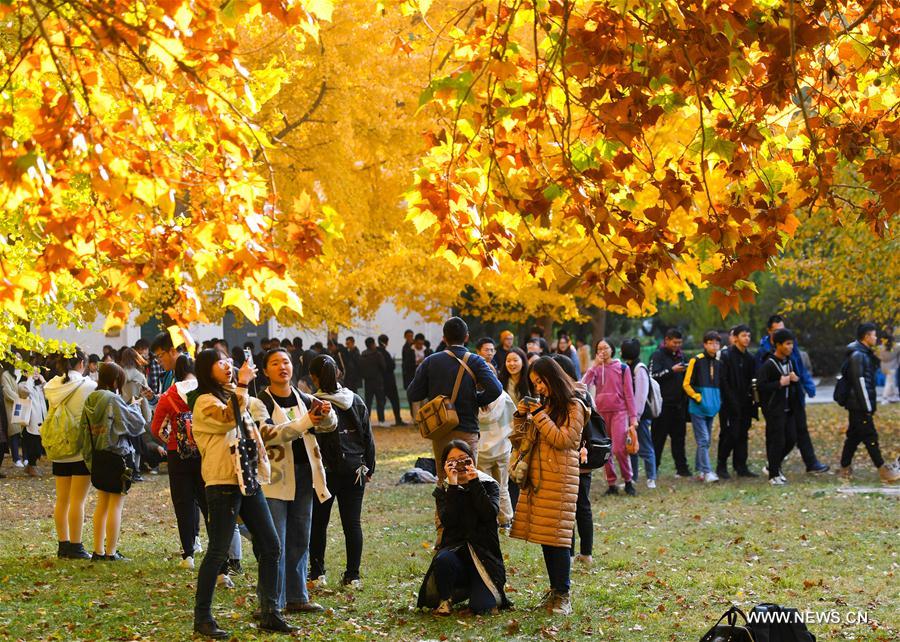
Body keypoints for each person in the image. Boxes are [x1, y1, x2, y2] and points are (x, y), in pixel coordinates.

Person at [190, 348, 293, 638]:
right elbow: (226, 420)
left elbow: (246, 426)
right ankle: (202, 618)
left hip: (248, 479)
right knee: (218, 551)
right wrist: (243, 385)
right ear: (206, 370)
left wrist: (242, 388)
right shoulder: (204, 402)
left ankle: (270, 612)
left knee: (271, 545)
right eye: (219, 362)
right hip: (223, 481)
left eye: (228, 361)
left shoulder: (235, 395)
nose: (227, 366)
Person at [255, 348, 336, 615]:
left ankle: (297, 596)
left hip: (305, 474)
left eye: (286, 362)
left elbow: (329, 424)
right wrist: (305, 422)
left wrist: (325, 412)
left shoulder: (303, 397)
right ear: (265, 370)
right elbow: (267, 434)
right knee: (275, 542)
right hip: (275, 479)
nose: (282, 367)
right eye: (275, 363)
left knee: (301, 537)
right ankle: (272, 602)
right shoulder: (260, 402)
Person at [510, 357, 585, 615]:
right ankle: (554, 590)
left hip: (560, 479)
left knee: (559, 537)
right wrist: (521, 416)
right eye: (534, 384)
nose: (538, 388)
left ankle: (564, 594)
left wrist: (538, 414)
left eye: (541, 382)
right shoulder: (546, 404)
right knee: (545, 536)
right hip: (540, 477)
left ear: (553, 378)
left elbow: (563, 440)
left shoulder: (575, 406)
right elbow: (524, 437)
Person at [418, 440, 510, 616]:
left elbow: (489, 514)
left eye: (464, 460)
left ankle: (479, 590)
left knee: (481, 608)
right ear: (444, 465)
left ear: (473, 460)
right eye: (453, 461)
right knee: (443, 559)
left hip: (484, 559)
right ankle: (446, 598)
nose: (459, 465)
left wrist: (474, 482)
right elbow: (449, 521)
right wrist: (453, 485)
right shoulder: (444, 489)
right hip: (455, 558)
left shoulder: (488, 484)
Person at [407, 317, 503, 484]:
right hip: (467, 428)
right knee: (469, 479)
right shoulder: (475, 361)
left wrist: (434, 396)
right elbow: (496, 388)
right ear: (466, 336)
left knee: (445, 480)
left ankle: (445, 510)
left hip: (440, 429)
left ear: (444, 338)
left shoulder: (431, 361)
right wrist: (475, 400)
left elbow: (413, 393)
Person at [308, 355, 376, 588]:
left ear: (313, 377)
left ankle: (317, 575)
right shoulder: (354, 399)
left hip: (324, 470)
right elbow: (367, 436)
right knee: (352, 524)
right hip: (356, 469)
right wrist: (370, 467)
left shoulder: (313, 404)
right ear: (338, 372)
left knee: (318, 523)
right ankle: (353, 576)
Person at [80, 362, 148, 561]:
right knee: (116, 505)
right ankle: (111, 552)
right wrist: (133, 408)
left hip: (99, 456)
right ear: (115, 380)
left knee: (101, 504)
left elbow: (83, 431)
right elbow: (137, 425)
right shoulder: (113, 400)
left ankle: (98, 551)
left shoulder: (91, 398)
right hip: (117, 456)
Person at [150, 355, 207, 569]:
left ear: (177, 372)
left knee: (183, 503)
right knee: (207, 502)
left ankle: (188, 554)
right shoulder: (206, 392)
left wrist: (172, 440)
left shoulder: (169, 396)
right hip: (205, 453)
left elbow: (156, 428)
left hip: (177, 455)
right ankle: (218, 554)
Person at [755, 315, 829, 474]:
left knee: (798, 431)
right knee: (778, 437)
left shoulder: (790, 350)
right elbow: (762, 381)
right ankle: (774, 467)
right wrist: (779, 384)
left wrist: (805, 385)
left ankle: (810, 462)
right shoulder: (765, 354)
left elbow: (799, 369)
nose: (789, 346)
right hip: (775, 403)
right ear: (770, 333)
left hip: (793, 398)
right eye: (777, 331)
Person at [44, 350, 97, 559]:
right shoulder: (89, 386)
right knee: (78, 501)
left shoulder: (52, 387)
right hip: (79, 448)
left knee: (62, 500)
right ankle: (76, 545)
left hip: (58, 448)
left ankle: (63, 544)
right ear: (82, 363)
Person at [838, 324, 900, 483]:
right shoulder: (858, 355)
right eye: (873, 335)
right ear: (866, 337)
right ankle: (883, 470)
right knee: (870, 436)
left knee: (853, 436)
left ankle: (844, 468)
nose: (875, 338)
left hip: (857, 404)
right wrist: (867, 407)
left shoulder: (863, 353)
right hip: (859, 405)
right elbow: (860, 383)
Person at [551, 354, 595, 566]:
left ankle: (584, 552)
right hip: (567, 458)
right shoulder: (560, 394)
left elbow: (584, 428)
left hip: (579, 457)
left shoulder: (578, 396)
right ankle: (571, 552)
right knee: (570, 507)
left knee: (579, 506)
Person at [581, 339, 637, 496]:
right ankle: (611, 483)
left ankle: (628, 481)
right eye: (599, 349)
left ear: (612, 349)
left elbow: (629, 395)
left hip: (620, 412)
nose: (603, 351)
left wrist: (633, 418)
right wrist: (593, 367)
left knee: (619, 449)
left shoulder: (623, 368)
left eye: (605, 348)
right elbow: (583, 384)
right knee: (605, 449)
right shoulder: (596, 369)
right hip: (601, 413)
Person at [474, 338, 515, 531]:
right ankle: (506, 520)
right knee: (503, 487)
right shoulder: (504, 398)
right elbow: (513, 420)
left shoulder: (474, 400)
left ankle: (487, 519)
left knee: (485, 487)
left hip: (482, 450)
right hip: (503, 448)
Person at [756, 329, 802, 485]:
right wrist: (778, 384)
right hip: (774, 409)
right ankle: (773, 474)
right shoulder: (769, 364)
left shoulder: (789, 361)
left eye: (792, 344)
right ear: (778, 345)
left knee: (791, 438)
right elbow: (761, 386)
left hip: (788, 408)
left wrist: (795, 380)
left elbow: (792, 382)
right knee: (776, 441)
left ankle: (773, 465)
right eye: (787, 344)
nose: (790, 347)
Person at [718, 325, 759, 479]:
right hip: (729, 404)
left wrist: (754, 401)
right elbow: (723, 380)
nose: (747, 338)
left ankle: (741, 466)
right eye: (743, 335)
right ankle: (721, 464)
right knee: (730, 434)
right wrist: (730, 400)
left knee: (743, 434)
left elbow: (752, 381)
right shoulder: (726, 356)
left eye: (748, 335)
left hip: (745, 403)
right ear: (735, 338)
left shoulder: (750, 358)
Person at [649, 329, 691, 477]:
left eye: (679, 343)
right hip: (662, 406)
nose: (677, 345)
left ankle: (682, 469)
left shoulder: (682, 356)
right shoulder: (657, 355)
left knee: (679, 439)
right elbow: (652, 376)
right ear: (666, 340)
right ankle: (653, 468)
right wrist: (671, 371)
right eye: (674, 342)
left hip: (679, 405)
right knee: (658, 440)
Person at [683, 331, 723, 483]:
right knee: (703, 439)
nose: (715, 346)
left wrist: (717, 401)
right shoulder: (696, 360)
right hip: (698, 408)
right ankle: (707, 472)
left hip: (712, 408)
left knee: (705, 441)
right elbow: (686, 384)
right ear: (705, 344)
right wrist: (698, 397)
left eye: (717, 343)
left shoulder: (718, 363)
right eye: (711, 343)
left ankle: (700, 469)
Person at [621, 339, 657, 489]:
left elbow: (641, 396)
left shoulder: (639, 369)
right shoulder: (627, 367)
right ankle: (633, 477)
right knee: (631, 447)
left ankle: (651, 477)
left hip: (639, 416)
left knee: (645, 446)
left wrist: (636, 416)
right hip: (630, 415)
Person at [499, 347, 530, 510]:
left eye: (515, 360)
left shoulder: (529, 381)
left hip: (525, 431)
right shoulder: (500, 382)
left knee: (522, 467)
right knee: (508, 467)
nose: (512, 364)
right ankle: (512, 506)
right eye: (508, 360)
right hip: (505, 430)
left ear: (523, 362)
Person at [377, 335, 403, 426]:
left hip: (380, 381)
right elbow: (391, 366)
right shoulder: (385, 353)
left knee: (381, 401)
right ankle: (398, 419)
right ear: (386, 342)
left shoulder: (376, 352)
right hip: (389, 381)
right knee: (395, 400)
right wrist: (393, 361)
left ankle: (381, 420)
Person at [360, 338, 386, 426]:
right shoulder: (378, 355)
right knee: (380, 401)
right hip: (378, 381)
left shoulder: (363, 355)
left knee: (368, 402)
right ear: (372, 345)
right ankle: (381, 420)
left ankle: (367, 421)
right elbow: (383, 367)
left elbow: (361, 369)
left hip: (368, 382)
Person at [407, 333, 433, 420]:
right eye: (418, 344)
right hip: (413, 378)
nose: (420, 346)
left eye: (421, 344)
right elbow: (406, 366)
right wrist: (416, 362)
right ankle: (416, 420)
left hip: (425, 379)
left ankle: (425, 419)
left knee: (425, 401)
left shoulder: (428, 351)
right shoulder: (409, 351)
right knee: (415, 401)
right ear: (415, 342)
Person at [150, 332, 181, 396]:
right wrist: (152, 398)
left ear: (172, 351)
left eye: (159, 356)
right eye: (156, 357)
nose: (158, 362)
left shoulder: (189, 374)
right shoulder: (168, 374)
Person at [875, 329, 900, 403]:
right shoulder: (896, 347)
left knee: (890, 381)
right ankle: (885, 397)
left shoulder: (880, 348)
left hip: (883, 366)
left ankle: (892, 396)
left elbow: (877, 355)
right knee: (890, 382)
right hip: (892, 366)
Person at [401, 329, 416, 393]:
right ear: (405, 337)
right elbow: (405, 361)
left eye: (411, 336)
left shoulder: (416, 345)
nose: (410, 338)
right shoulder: (405, 347)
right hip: (408, 372)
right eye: (408, 336)